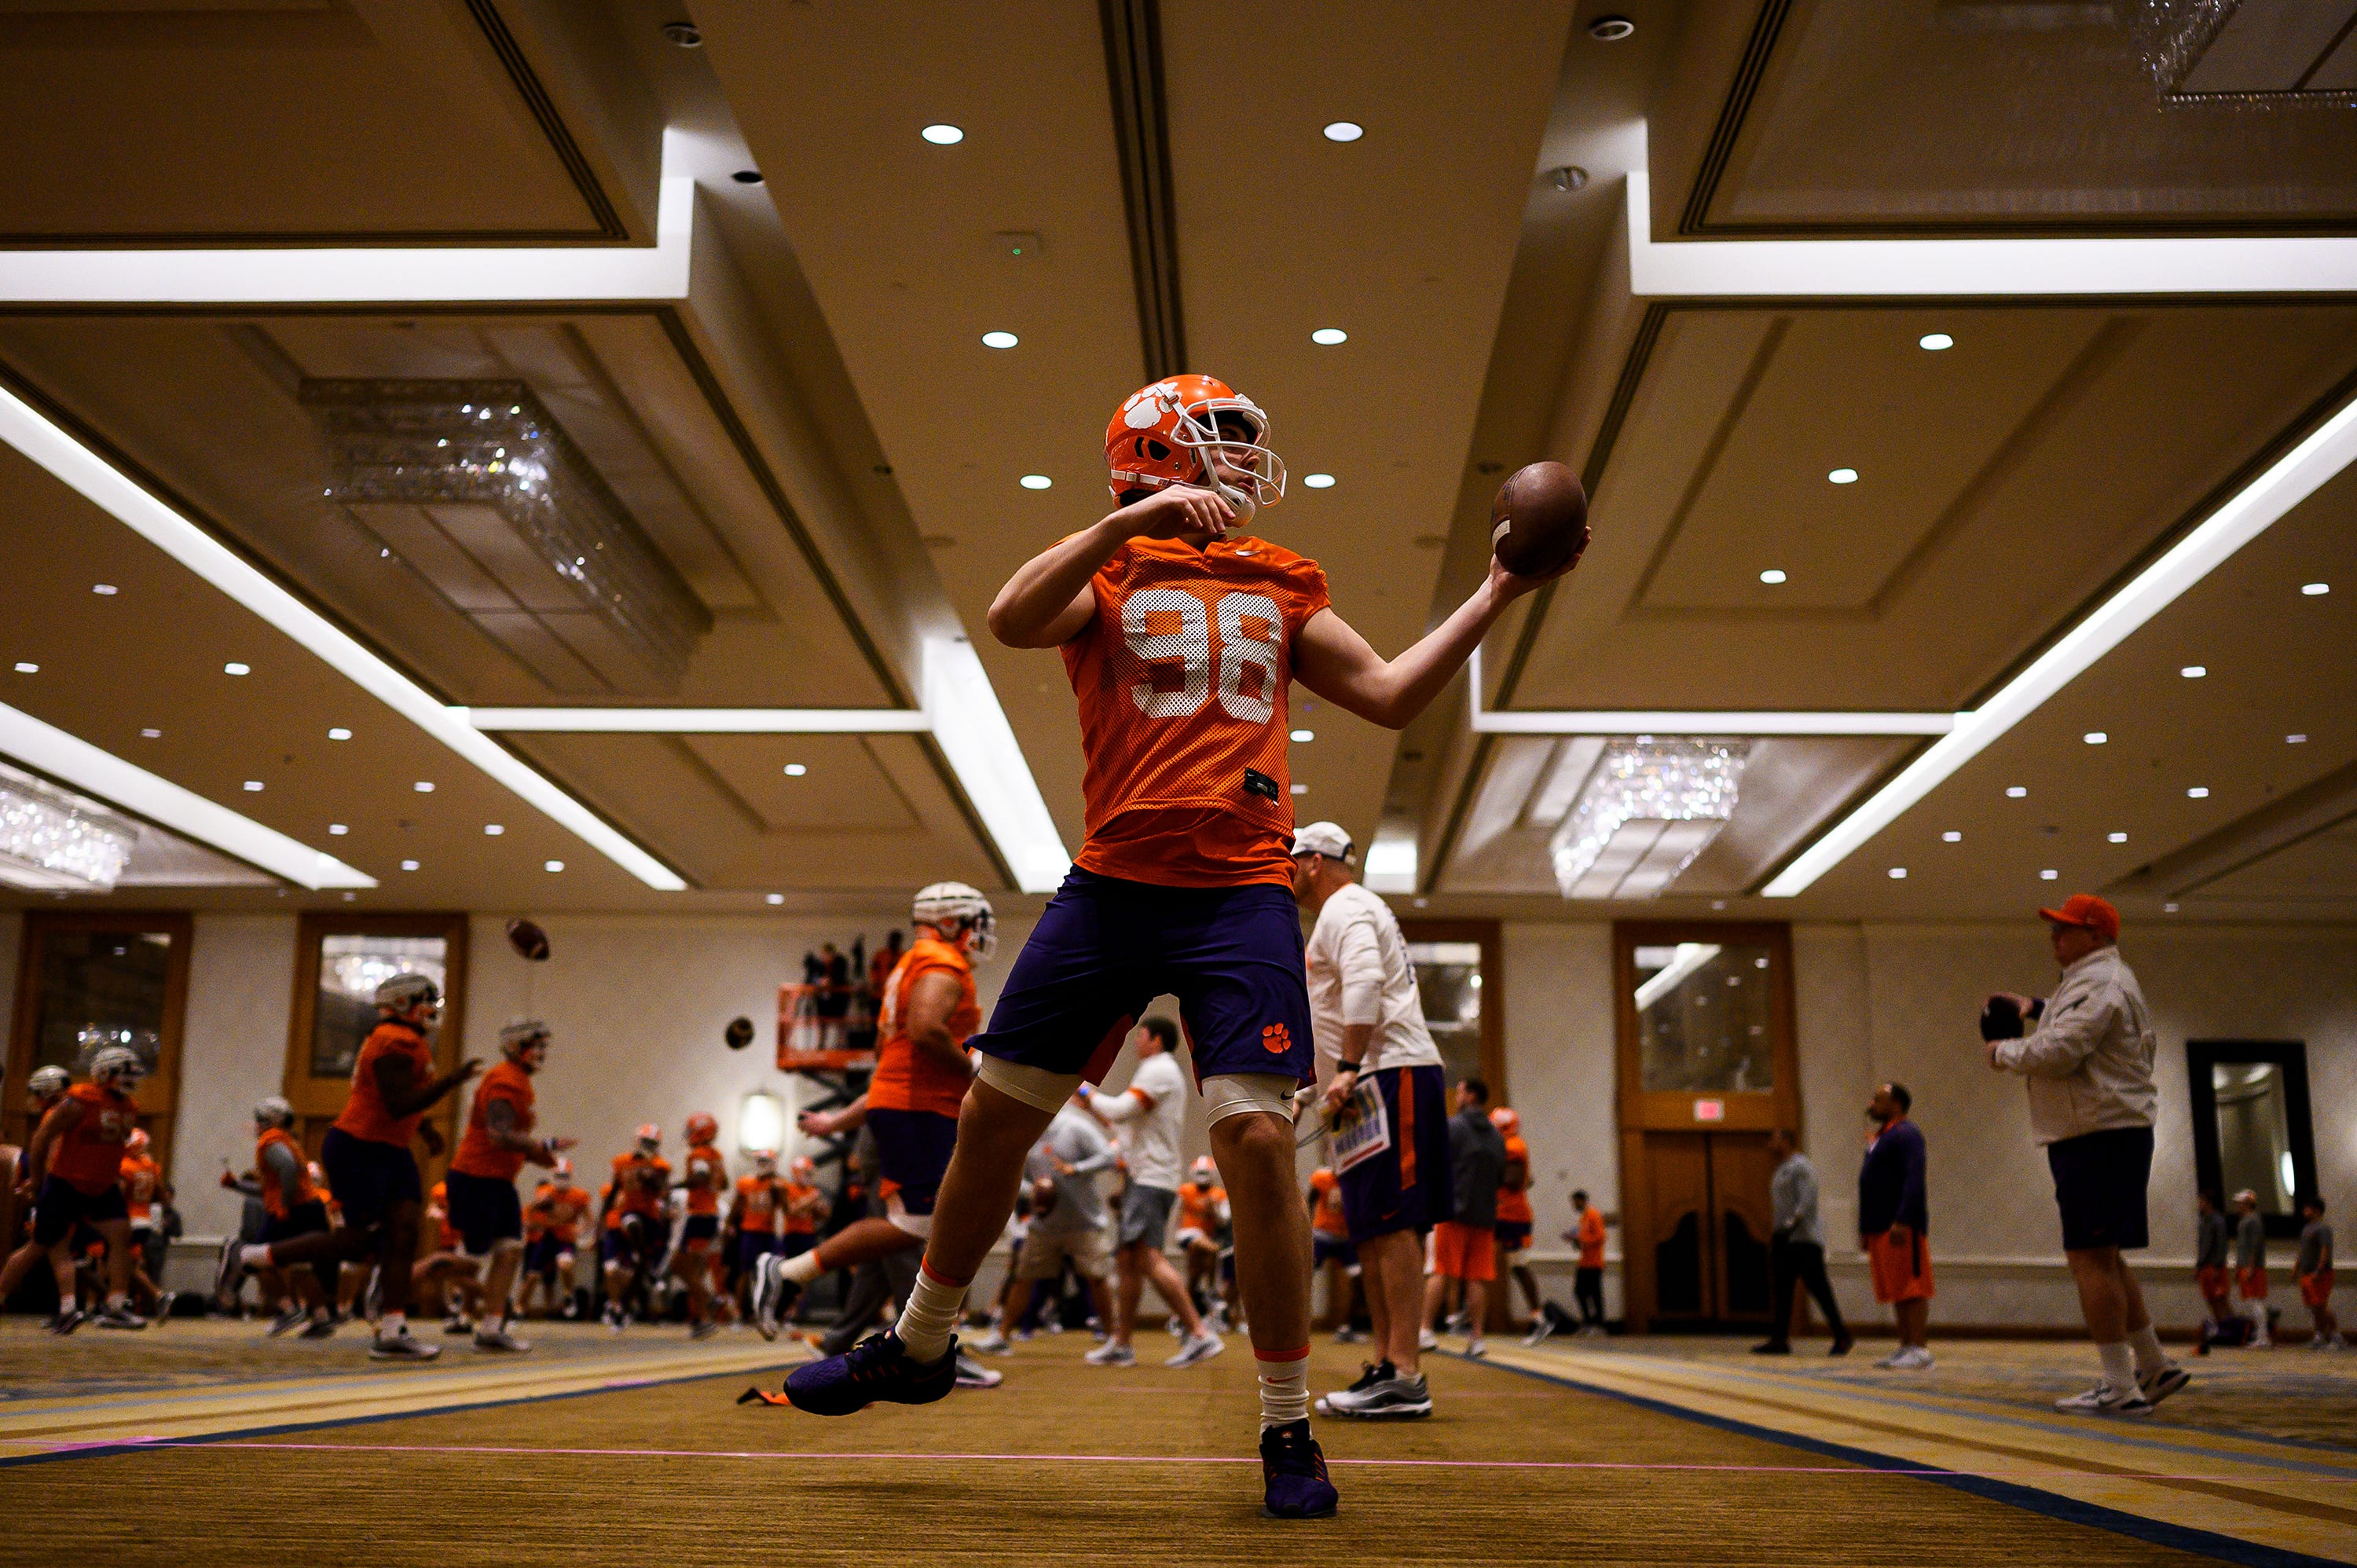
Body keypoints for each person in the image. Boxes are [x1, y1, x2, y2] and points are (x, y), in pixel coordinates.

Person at [773, 374, 1571, 1519]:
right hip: (1112, 881)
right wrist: (1126, 524)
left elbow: (1391, 695)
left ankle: (1288, 1427)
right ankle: (921, 1344)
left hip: (1240, 890)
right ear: (1157, 451)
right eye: (1227, 441)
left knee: (1252, 1139)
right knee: (995, 1114)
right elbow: (1007, 619)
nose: (1248, 462)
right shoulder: (1113, 565)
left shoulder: (1282, 578)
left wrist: (1498, 590)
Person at [752, 884, 995, 1341]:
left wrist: (838, 1120)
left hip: (907, 1106)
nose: (981, 934)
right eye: (976, 923)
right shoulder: (942, 964)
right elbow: (925, 1031)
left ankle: (917, 1341)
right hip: (918, 1109)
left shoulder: (911, 966)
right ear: (950, 922)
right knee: (916, 1224)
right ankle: (790, 1274)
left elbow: (890, 1068)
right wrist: (971, 1066)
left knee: (912, 1227)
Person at [1985, 893, 2187, 1415]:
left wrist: (2001, 1053)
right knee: (2106, 1256)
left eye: (2066, 929)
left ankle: (2120, 1387)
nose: (2055, 936)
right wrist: (2032, 1007)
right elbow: (2067, 1024)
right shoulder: (2095, 979)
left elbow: (2061, 1049)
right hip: (2103, 1132)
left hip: (2097, 1137)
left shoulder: (2102, 982)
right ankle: (2153, 1365)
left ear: (2097, 935)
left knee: (2088, 1259)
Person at [218, 974, 477, 1359]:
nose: (431, 1008)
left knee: (404, 1233)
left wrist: (423, 1128)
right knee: (358, 1242)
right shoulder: (392, 1038)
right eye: (425, 1001)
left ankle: (392, 1330)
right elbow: (396, 1102)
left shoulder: (410, 1039)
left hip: (390, 1147)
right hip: (359, 1147)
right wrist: (451, 1082)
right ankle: (258, 1255)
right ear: (404, 1003)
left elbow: (396, 1098)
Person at [1292, 820, 1453, 1420]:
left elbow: (1365, 981)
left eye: (1290, 859)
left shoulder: (1348, 905)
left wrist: (1351, 1065)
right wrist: (1315, 1088)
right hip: (1363, 1083)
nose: (1284, 871)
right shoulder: (1338, 912)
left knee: (1395, 1222)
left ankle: (1406, 1373)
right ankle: (1387, 1365)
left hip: (1389, 1073)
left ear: (1313, 862)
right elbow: (1333, 1008)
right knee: (1372, 1226)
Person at [1080, 1018, 1223, 1368]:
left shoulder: (1158, 1069)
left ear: (1156, 1039)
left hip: (1151, 1179)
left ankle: (1200, 1333)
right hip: (1143, 1177)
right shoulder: (1156, 1071)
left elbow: (1119, 1110)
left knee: (1146, 1256)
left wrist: (1083, 1088)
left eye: (1140, 1035)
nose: (1135, 1042)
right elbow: (1123, 1124)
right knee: (1128, 1259)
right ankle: (1122, 1342)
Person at [445, 1019, 573, 1351]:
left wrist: (536, 1154)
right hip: (477, 1177)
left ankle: (490, 1329)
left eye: (544, 1045)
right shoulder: (505, 1080)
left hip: (497, 1180)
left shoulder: (518, 1080)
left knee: (510, 1252)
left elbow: (511, 1140)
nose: (542, 1052)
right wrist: (543, 1145)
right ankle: (408, 1277)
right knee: (472, 1261)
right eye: (536, 1045)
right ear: (516, 1047)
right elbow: (499, 1136)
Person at [2, 1049, 149, 1329]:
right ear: (104, 1073)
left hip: (103, 1185)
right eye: (124, 1072)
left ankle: (116, 1307)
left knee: (121, 1237)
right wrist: (38, 1180)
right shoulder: (81, 1098)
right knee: (39, 1247)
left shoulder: (130, 1106)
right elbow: (42, 1139)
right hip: (67, 1183)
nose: (130, 1079)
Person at [970, 1095, 1121, 1354]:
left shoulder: (1075, 1127)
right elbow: (1017, 1176)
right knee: (1023, 1277)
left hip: (1083, 1221)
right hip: (1045, 1224)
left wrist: (1077, 1169)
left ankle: (1113, 1341)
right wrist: (1034, 1191)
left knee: (1097, 1278)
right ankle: (1002, 1336)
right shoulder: (1026, 1134)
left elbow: (1108, 1157)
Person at [1425, 1078, 1505, 1359]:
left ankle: (1424, 1330)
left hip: (1453, 1211)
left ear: (1470, 1096)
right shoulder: (1497, 1136)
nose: (1455, 1096)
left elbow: (1435, 1164)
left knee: (1441, 1269)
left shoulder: (1454, 1127)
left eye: (1459, 1092)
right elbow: (1502, 1177)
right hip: (1485, 1216)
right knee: (1477, 1278)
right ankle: (1478, 1337)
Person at [1754, 1128, 1850, 1357]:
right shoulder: (1781, 1169)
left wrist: (1790, 1226)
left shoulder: (1801, 1167)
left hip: (1803, 1239)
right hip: (1785, 1238)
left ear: (1786, 1141)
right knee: (1782, 1290)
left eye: (1774, 1139)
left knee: (1819, 1289)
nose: (1770, 1144)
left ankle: (1842, 1336)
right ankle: (1779, 1339)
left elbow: (1806, 1202)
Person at [247, 1095, 335, 1338]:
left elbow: (286, 1169)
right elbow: (273, 1185)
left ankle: (288, 1310)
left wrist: (285, 1204)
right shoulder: (287, 1140)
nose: (256, 1125)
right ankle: (321, 1318)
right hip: (309, 1207)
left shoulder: (271, 1140)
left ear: (269, 1121)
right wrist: (236, 1185)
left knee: (252, 1259)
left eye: (260, 1119)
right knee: (301, 1265)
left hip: (295, 1208)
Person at [1858, 1083, 1932, 1369]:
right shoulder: (1883, 1136)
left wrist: (1903, 1218)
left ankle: (1920, 1349)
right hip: (1880, 1226)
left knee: (1911, 1289)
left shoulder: (1907, 1134)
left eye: (1878, 1100)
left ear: (1897, 1105)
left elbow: (1915, 1178)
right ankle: (1905, 1347)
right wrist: (1866, 1228)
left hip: (1901, 1225)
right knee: (1896, 1289)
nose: (1872, 1104)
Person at [4, 1066, 80, 1331]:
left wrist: (40, 1186)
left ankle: (67, 1308)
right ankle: (68, 1308)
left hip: (54, 1191)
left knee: (40, 1250)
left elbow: (51, 1156)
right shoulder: (71, 1113)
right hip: (63, 1191)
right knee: (53, 1250)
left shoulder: (55, 1114)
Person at [600, 1124, 672, 1328]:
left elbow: (663, 1190)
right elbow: (614, 1190)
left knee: (639, 1270)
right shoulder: (623, 1162)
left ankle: (623, 1308)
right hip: (629, 1214)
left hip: (650, 1217)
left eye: (652, 1143)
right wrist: (601, 1221)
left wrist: (651, 1180)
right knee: (631, 1223)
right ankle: (646, 1268)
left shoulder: (660, 1165)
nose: (648, 1146)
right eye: (645, 1142)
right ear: (637, 1141)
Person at [1490, 1108, 1544, 1339]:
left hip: (1511, 1216)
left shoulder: (1512, 1147)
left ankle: (1538, 1317)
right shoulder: (1511, 1145)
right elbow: (1526, 1180)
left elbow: (1512, 1180)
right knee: (1490, 1262)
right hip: (1505, 1213)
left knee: (1518, 1265)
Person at [519, 1158, 593, 1320]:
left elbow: (589, 1219)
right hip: (548, 1237)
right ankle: (519, 1309)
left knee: (565, 1264)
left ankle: (569, 1294)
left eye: (565, 1176)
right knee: (532, 1275)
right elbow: (530, 1213)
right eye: (559, 1176)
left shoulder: (579, 1196)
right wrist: (539, 1207)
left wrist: (581, 1230)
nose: (562, 1180)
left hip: (566, 1238)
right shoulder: (546, 1193)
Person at [676, 1112, 728, 1338]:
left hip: (699, 1214)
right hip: (711, 1214)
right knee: (694, 1270)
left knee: (681, 1265)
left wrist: (673, 1186)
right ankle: (702, 1318)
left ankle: (709, 1305)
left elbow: (700, 1176)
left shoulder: (698, 1154)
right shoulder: (715, 1154)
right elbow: (724, 1182)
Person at [118, 1127, 174, 1318]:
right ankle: (147, 1297)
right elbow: (162, 1195)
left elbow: (119, 1194)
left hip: (127, 1219)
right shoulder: (150, 1167)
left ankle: (117, 1304)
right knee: (128, 1264)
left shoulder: (125, 1166)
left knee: (114, 1262)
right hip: (145, 1219)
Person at [1172, 1156, 1232, 1327]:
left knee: (1194, 1275)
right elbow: (1176, 1215)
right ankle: (1212, 1291)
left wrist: (1213, 1209)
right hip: (1188, 1234)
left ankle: (1181, 1318)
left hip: (1207, 1238)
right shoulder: (1185, 1190)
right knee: (1213, 1250)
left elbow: (1224, 1221)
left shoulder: (1219, 1194)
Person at [1307, 1167, 1362, 1343]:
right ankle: (1291, 1324)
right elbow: (1310, 1201)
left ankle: (1345, 1327)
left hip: (1345, 1237)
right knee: (1304, 1276)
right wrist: (1306, 1225)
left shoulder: (1355, 1177)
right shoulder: (1322, 1177)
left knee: (1356, 1278)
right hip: (1322, 1234)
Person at [2297, 1196, 2341, 1350]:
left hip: (2320, 1274)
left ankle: (2336, 1336)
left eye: (2307, 1208)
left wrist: (2319, 1269)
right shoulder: (2306, 1229)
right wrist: (2296, 1267)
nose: (2304, 1211)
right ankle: (2319, 1335)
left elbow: (2325, 1249)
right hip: (2307, 1273)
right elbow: (2302, 1250)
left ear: (2316, 1210)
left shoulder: (2323, 1229)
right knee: (2313, 1307)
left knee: (2321, 1305)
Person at [2194, 1190, 2236, 1344]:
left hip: (2215, 1265)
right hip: (2205, 1265)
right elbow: (2202, 1246)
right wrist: (2199, 1265)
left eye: (2202, 1201)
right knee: (2210, 1299)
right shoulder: (2203, 1221)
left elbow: (2221, 1245)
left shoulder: (2218, 1221)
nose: (2199, 1204)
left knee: (2221, 1299)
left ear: (2209, 1202)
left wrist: (2218, 1267)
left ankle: (2232, 1328)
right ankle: (2221, 1328)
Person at [2234, 1189, 2271, 1348]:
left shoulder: (2253, 1221)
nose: (2238, 1206)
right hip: (2245, 1265)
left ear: (2248, 1203)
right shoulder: (2245, 1221)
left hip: (2252, 1267)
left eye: (2240, 1203)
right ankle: (2260, 1334)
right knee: (2250, 1301)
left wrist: (2251, 1266)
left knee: (2255, 1301)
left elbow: (2255, 1245)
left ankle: (2263, 1337)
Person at [1567, 1189, 1607, 1334]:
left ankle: (1599, 1325)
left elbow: (1601, 1237)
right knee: (1580, 1291)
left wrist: (1582, 1240)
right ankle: (1588, 1322)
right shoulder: (1583, 1218)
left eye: (1575, 1202)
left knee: (1595, 1294)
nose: (1573, 1205)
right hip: (1585, 1262)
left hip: (1594, 1262)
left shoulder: (1593, 1215)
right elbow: (1583, 1241)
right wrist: (1574, 1240)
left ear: (1581, 1200)